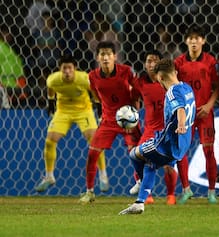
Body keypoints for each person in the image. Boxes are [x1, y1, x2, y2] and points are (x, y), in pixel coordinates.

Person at [119, 58, 196, 215]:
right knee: (150, 165)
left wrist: (181, 124)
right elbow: (187, 106)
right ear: (174, 72)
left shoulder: (172, 92)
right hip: (183, 144)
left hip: (166, 143)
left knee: (134, 154)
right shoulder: (187, 88)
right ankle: (140, 203)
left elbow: (180, 108)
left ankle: (140, 182)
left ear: (160, 77)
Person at [34, 53, 109, 192]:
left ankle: (103, 175)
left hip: (83, 111)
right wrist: (51, 101)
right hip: (63, 111)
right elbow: (50, 89)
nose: (67, 71)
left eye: (69, 68)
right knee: (50, 141)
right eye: (64, 68)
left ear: (75, 68)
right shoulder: (53, 79)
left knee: (95, 140)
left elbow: (95, 92)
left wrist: (99, 107)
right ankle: (49, 176)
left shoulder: (84, 79)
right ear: (60, 69)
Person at [79, 40, 141, 204]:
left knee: (136, 154)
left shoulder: (126, 71)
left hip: (128, 119)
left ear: (115, 56)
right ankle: (90, 191)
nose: (105, 58)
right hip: (108, 120)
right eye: (102, 54)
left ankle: (141, 186)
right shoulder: (92, 76)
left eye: (108, 54)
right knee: (92, 154)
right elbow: (96, 95)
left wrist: (133, 116)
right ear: (98, 57)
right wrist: (103, 111)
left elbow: (136, 93)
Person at [174, 24, 219, 204]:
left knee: (209, 151)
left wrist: (209, 105)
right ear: (186, 41)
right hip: (186, 114)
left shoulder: (210, 62)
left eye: (197, 38)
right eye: (191, 38)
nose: (194, 42)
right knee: (181, 152)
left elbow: (217, 87)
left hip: (204, 112)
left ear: (203, 41)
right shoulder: (178, 63)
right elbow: (174, 88)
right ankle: (186, 189)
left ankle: (211, 192)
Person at [130, 50, 178, 205]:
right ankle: (146, 193)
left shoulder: (167, 80)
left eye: (155, 61)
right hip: (150, 129)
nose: (152, 64)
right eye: (149, 61)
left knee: (168, 167)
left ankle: (171, 195)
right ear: (144, 64)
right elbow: (134, 98)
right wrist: (133, 115)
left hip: (167, 128)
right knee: (139, 157)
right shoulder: (140, 82)